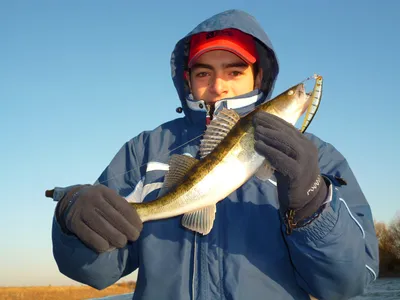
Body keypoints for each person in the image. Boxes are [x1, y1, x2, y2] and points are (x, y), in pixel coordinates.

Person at [50, 9, 379, 300]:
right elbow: (94, 272)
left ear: (259, 77)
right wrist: (71, 222)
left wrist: (312, 202)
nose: (219, 85)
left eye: (234, 71)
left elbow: (348, 284)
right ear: (188, 80)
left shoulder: (318, 156)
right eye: (204, 72)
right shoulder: (145, 150)